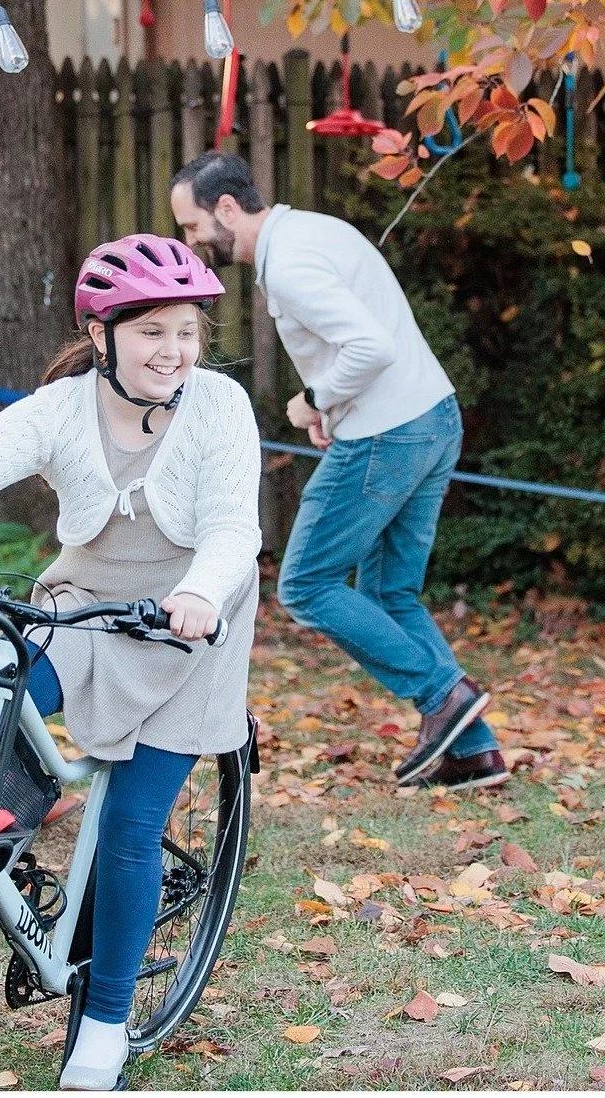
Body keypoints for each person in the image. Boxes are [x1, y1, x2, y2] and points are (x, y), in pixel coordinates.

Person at [0, 235, 262, 1092]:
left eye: (186, 330)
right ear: (101, 332)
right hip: (81, 603)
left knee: (129, 827)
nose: (174, 350)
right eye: (152, 330)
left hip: (192, 623)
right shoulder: (63, 406)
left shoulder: (219, 405)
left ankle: (106, 1023)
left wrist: (198, 593)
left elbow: (233, 527)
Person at [170, 151, 508, 793]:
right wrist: (335, 404)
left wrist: (315, 400)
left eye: (191, 227)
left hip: (389, 434)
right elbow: (365, 334)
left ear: (228, 209)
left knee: (305, 583)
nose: (191, 240)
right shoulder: (308, 233)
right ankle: (475, 752)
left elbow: (368, 348)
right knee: (390, 594)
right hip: (430, 418)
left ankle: (444, 695)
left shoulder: (291, 264)